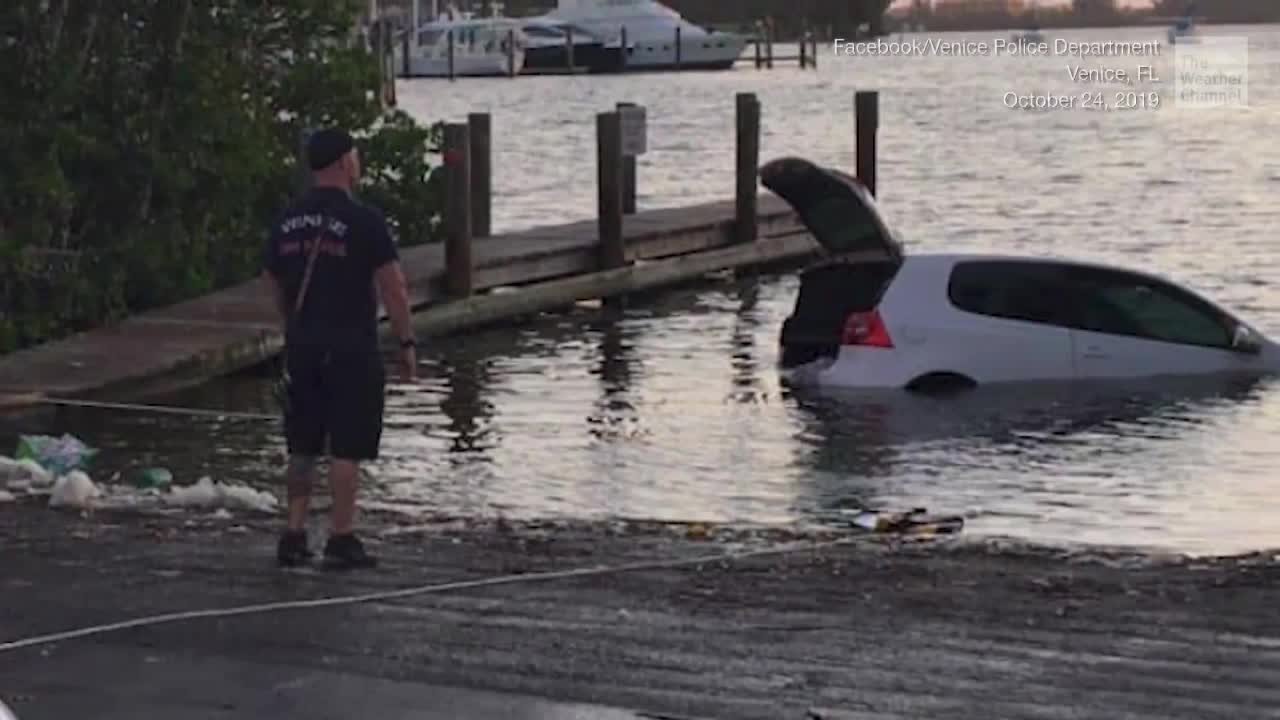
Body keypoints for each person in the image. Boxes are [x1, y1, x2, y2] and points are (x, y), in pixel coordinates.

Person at [261, 127, 416, 570]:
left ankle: (293, 533)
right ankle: (341, 535)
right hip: (351, 344)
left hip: (302, 343)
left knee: (302, 443)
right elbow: (394, 287)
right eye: (356, 156)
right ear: (345, 163)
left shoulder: (288, 218)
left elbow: (270, 277)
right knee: (347, 444)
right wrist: (406, 341)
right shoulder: (364, 220)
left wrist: (290, 318)